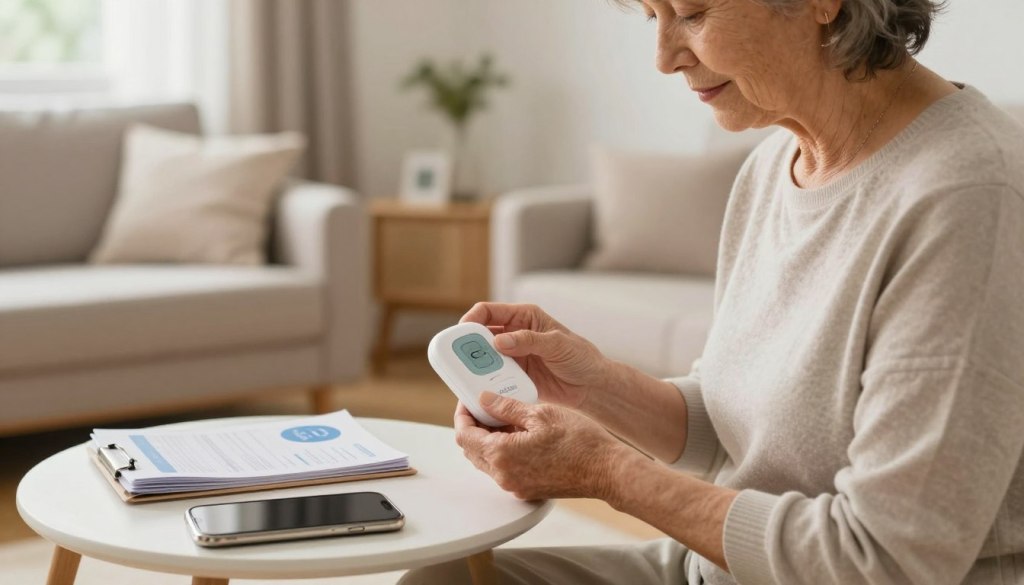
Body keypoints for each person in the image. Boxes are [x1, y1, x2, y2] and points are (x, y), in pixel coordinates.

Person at [399, 0, 1024, 583]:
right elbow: (740, 429)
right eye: (653, 16)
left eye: (693, 13)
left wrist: (607, 471)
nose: (665, 56)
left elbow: (886, 557)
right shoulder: (773, 166)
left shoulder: (968, 199)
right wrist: (593, 384)